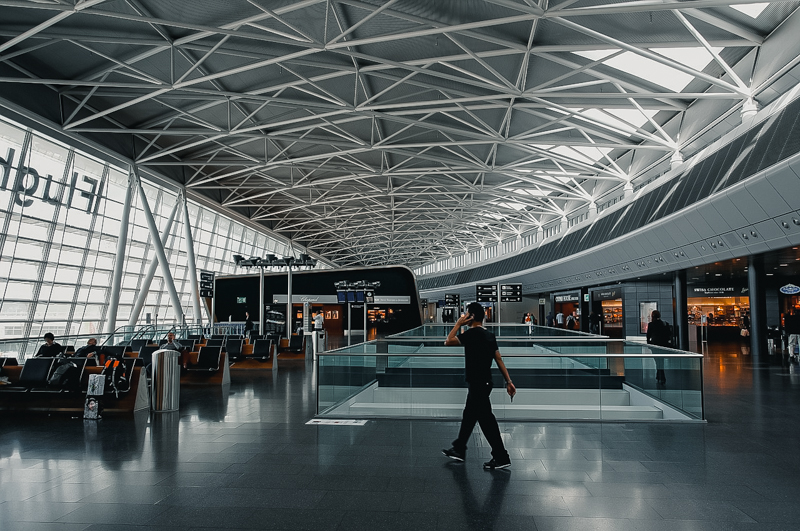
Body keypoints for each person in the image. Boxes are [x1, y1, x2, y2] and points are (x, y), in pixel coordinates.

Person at [442, 302, 516, 470]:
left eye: (466, 314)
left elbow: (448, 341)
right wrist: (509, 381)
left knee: (486, 420)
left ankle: (501, 456)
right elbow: (498, 359)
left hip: (477, 384)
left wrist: (458, 324)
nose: (464, 316)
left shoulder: (472, 334)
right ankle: (460, 448)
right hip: (485, 382)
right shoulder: (489, 336)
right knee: (470, 415)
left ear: (472, 316)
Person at [646, 310, 670, 385]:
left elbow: (648, 335)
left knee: (657, 361)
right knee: (661, 361)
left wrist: (649, 344)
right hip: (663, 345)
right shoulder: (665, 324)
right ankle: (660, 376)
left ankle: (660, 376)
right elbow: (669, 334)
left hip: (655, 345)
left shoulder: (651, 324)